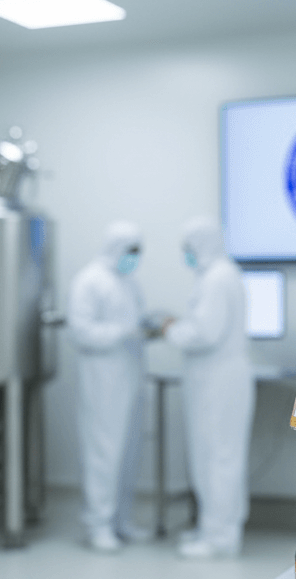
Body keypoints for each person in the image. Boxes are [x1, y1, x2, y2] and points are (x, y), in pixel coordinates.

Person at [164, 217, 255, 559]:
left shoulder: (217, 278)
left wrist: (171, 330)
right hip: (215, 380)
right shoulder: (220, 275)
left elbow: (205, 333)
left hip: (219, 380)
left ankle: (219, 537)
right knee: (214, 456)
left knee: (218, 457)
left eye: (188, 247)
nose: (186, 254)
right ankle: (213, 528)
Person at [68, 221, 147, 552]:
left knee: (128, 452)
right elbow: (80, 332)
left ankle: (120, 521)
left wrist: (143, 329)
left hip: (129, 375)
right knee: (104, 452)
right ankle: (97, 524)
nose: (134, 258)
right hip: (102, 378)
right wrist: (122, 331)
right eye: (130, 251)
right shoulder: (90, 280)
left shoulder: (127, 282)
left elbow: (133, 324)